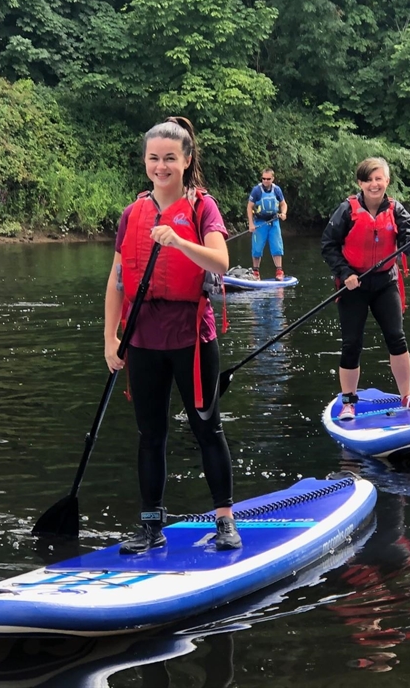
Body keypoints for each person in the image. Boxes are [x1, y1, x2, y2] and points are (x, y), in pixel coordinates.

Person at [103, 116, 240, 554]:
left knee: (206, 427)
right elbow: (117, 280)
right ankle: (150, 524)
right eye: (153, 158)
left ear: (186, 160)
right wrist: (110, 338)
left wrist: (180, 241)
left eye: (169, 159)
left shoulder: (203, 208)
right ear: (146, 161)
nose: (160, 166)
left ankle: (224, 519)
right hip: (142, 338)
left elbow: (220, 262)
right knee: (150, 433)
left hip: (191, 337)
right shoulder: (132, 213)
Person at [321, 157, 410, 421]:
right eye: (368, 179)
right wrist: (345, 273)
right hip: (352, 286)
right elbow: (328, 245)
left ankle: (407, 395)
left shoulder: (396, 210)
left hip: (384, 283)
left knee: (397, 337)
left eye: (378, 179)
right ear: (360, 183)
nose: (374, 184)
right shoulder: (346, 210)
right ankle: (348, 402)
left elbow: (407, 243)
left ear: (387, 181)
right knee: (352, 344)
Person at [246, 168, 288, 280]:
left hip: (274, 222)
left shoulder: (277, 190)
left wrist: (283, 213)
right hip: (260, 222)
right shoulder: (257, 190)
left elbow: (283, 204)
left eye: (268, 179)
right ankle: (256, 272)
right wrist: (251, 224)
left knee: (277, 247)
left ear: (272, 179)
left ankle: (279, 271)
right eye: (263, 178)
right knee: (257, 248)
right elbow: (249, 207)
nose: (265, 181)